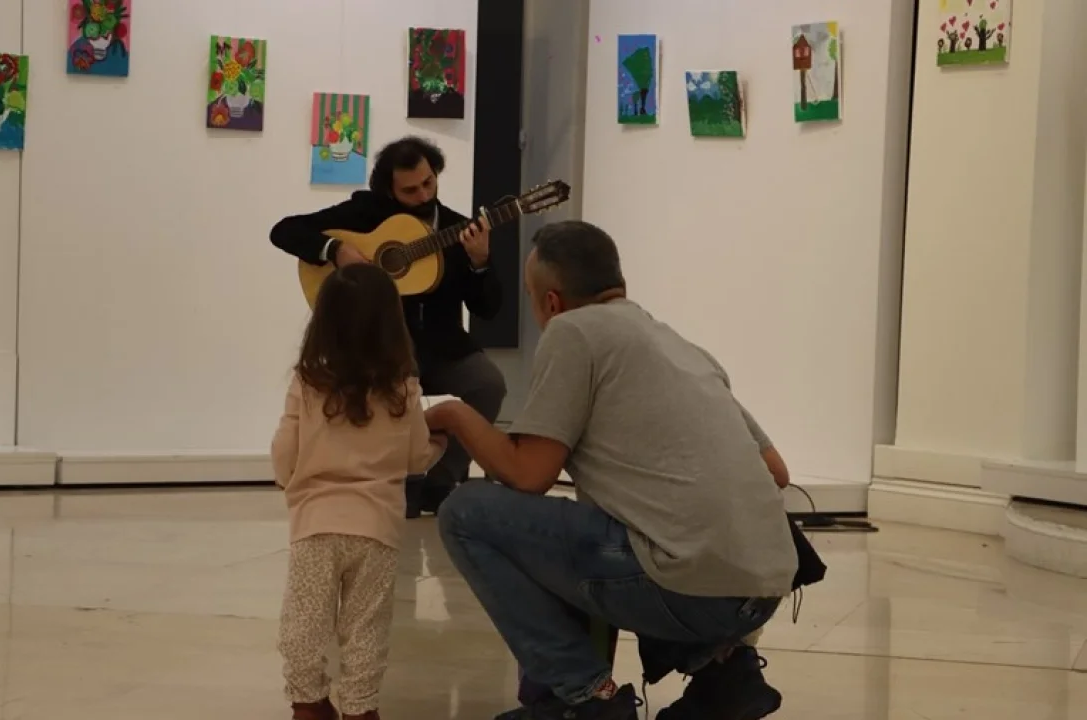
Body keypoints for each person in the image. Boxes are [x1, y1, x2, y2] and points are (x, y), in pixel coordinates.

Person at [424, 220, 798, 720]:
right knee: (626, 525)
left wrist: (453, 413)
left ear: (551, 302)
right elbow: (775, 471)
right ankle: (728, 676)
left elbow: (528, 474)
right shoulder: (678, 344)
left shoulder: (572, 332)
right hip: (763, 589)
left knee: (467, 512)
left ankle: (584, 696)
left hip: (691, 589)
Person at [270, 136, 507, 518]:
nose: (423, 195)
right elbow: (284, 230)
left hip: (445, 346)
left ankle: (441, 479)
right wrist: (336, 250)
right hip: (382, 347)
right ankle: (402, 481)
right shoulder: (365, 215)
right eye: (410, 190)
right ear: (389, 189)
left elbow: (488, 309)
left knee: (489, 384)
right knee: (399, 376)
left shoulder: (458, 228)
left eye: (428, 183)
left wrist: (480, 263)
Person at [271, 263, 447, 720]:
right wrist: (441, 443)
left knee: (304, 622)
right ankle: (360, 710)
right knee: (366, 626)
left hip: (314, 526)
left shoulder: (307, 383)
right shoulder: (403, 389)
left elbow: (284, 454)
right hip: (377, 530)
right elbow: (416, 458)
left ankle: (308, 705)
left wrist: (295, 483)